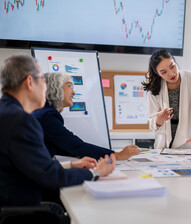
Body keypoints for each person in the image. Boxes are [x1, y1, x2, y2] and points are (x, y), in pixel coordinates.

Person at [0, 55, 116, 209]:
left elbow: (31, 164)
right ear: (29, 82)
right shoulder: (22, 121)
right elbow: (50, 176)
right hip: (21, 211)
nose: (46, 88)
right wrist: (95, 173)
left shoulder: (6, 112)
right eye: (43, 81)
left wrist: (70, 164)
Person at [33, 72, 140, 160]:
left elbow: (64, 147)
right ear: (55, 88)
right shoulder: (46, 117)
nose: (74, 92)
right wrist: (117, 156)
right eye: (69, 86)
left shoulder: (42, 113)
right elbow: (76, 146)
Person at [142, 49, 191, 149]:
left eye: (172, 66)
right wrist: (158, 121)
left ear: (175, 62)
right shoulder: (153, 89)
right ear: (158, 74)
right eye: (164, 72)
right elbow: (153, 124)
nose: (171, 73)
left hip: (188, 142)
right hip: (164, 145)